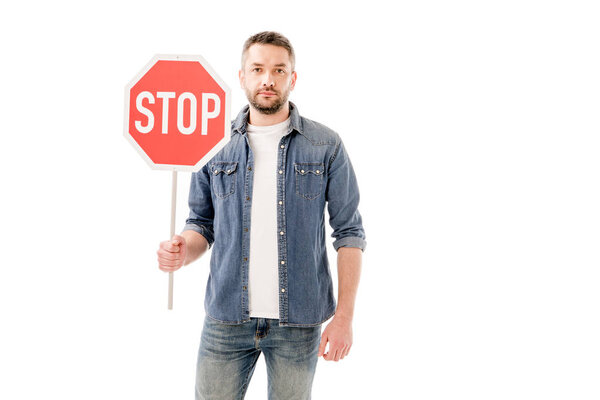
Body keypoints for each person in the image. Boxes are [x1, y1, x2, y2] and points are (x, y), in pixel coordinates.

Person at [157, 31, 366, 400]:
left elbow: (349, 232)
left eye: (278, 70)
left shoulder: (325, 145)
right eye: (257, 68)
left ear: (292, 78)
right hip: (225, 318)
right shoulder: (212, 143)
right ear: (242, 76)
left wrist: (345, 317)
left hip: (298, 323)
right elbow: (200, 225)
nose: (267, 79)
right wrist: (181, 251)